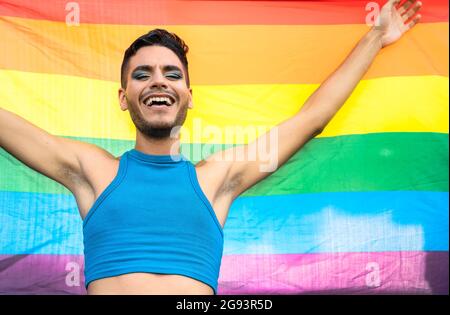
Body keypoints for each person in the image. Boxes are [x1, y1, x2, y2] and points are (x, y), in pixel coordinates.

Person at [0, 0, 421, 295]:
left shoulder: (216, 177)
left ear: (189, 95)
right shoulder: (91, 170)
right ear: (124, 97)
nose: (158, 81)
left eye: (172, 74)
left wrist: (376, 36)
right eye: (142, 74)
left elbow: (311, 119)